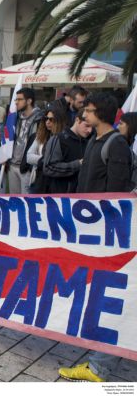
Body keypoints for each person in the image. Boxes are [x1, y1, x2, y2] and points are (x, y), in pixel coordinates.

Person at [59, 93, 134, 383]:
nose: (84, 115)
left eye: (88, 111)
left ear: (100, 113)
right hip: (88, 225)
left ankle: (101, 363)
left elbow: (116, 193)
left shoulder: (116, 145)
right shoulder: (94, 141)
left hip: (106, 231)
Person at [42, 109, 92, 194]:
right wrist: (77, 164)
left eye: (92, 127)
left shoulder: (88, 142)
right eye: (87, 126)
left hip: (80, 195)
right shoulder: (59, 139)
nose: (89, 130)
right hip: (60, 195)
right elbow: (48, 167)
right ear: (77, 120)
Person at [6, 87, 43, 194]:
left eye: (20, 99)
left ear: (29, 101)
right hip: (12, 164)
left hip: (27, 166)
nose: (16, 102)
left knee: (27, 200)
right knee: (14, 199)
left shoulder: (40, 118)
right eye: (16, 99)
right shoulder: (15, 117)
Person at [25, 106, 67, 194]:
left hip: (56, 182)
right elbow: (28, 156)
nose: (47, 122)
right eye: (46, 119)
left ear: (58, 121)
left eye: (51, 119)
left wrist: (45, 161)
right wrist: (44, 160)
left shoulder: (64, 138)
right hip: (39, 179)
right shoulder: (41, 135)